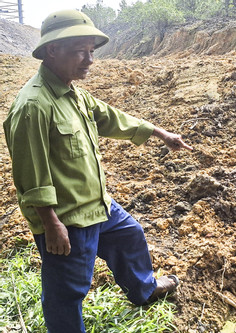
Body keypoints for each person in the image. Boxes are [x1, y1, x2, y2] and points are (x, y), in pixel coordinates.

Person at [3, 9, 192, 333]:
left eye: (92, 51)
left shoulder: (73, 92)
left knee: (130, 236)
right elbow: (30, 177)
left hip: (97, 206)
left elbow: (111, 117)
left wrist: (160, 133)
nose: (89, 59)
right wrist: (51, 225)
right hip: (67, 219)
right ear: (52, 50)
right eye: (81, 50)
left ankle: (145, 291)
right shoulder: (34, 106)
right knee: (67, 291)